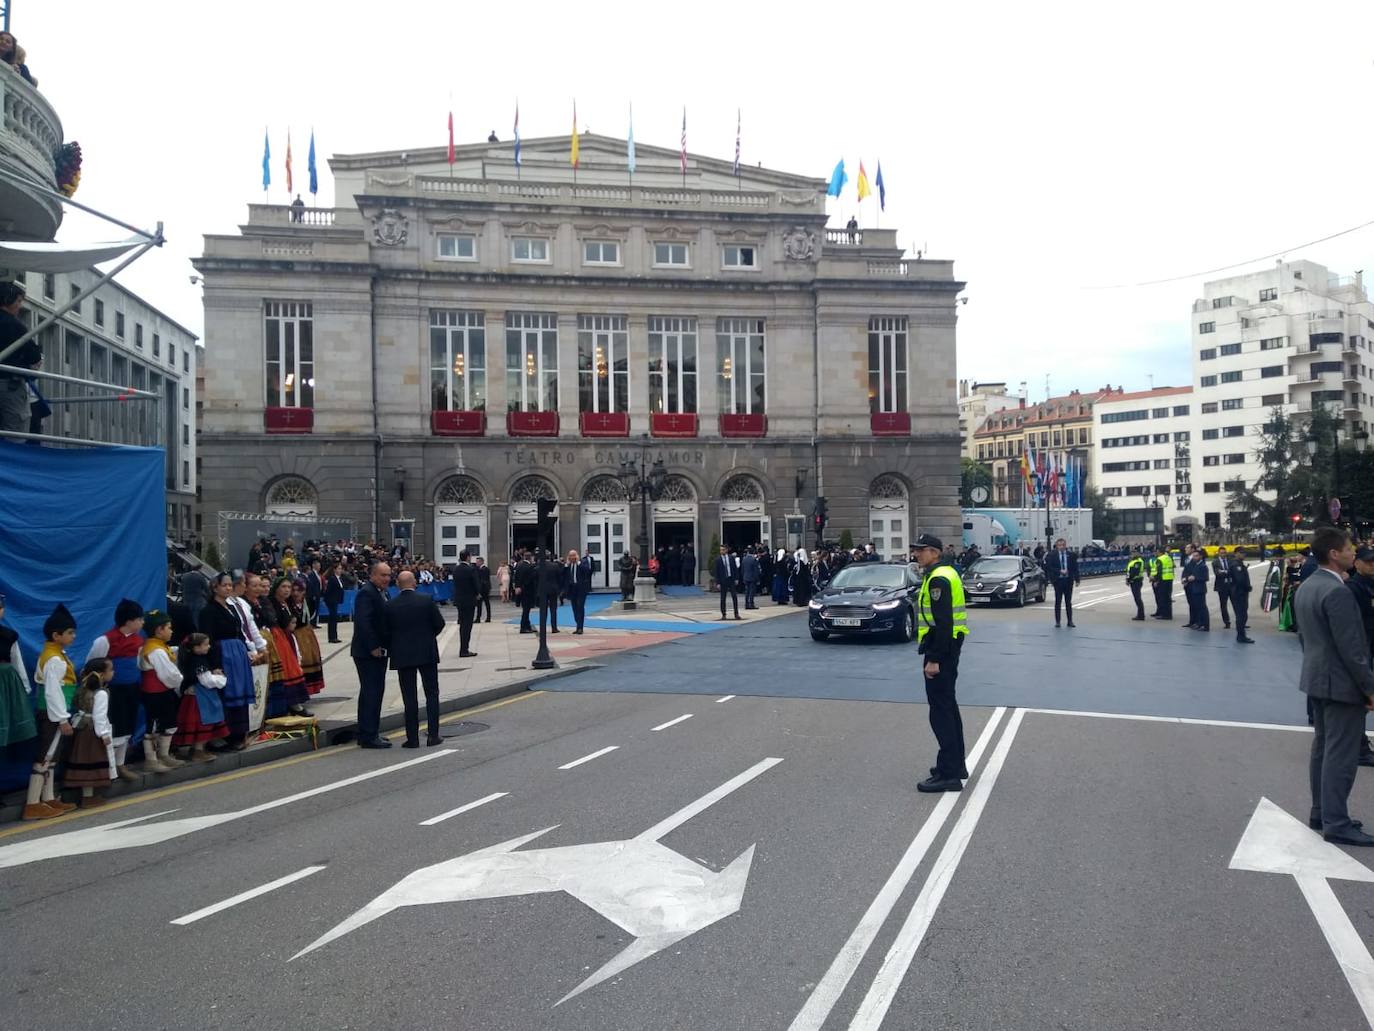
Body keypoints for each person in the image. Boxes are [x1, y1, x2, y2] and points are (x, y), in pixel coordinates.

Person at [1297, 527, 1374, 845]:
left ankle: (1321, 811)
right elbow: (1353, 649)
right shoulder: (1338, 592)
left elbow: (1307, 637)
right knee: (1340, 756)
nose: (1353, 552)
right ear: (1334, 554)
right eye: (1349, 548)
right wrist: (1369, 688)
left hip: (1316, 677)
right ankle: (1337, 822)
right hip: (1341, 684)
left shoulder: (1307, 586)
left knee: (1323, 748)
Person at [912, 534, 969, 793]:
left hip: (941, 649)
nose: (916, 554)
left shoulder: (938, 579)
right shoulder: (947, 572)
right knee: (949, 706)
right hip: (949, 646)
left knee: (941, 712)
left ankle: (948, 774)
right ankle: (955, 764)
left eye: (921, 550)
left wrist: (934, 659)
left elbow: (943, 622)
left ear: (934, 553)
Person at [23, 604, 80, 820]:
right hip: (52, 713)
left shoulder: (55, 654)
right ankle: (32, 803)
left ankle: (47, 798)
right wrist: (62, 719)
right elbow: (52, 692)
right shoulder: (54, 659)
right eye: (70, 633)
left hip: (55, 712)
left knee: (52, 756)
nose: (73, 636)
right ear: (56, 635)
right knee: (45, 756)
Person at [385, 570, 447, 748]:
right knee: (432, 694)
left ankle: (412, 738)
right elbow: (439, 624)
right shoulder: (426, 600)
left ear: (398, 584)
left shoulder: (390, 605)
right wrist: (428, 637)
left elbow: (386, 631)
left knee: (409, 696)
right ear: (414, 583)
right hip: (426, 652)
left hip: (403, 655)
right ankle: (433, 735)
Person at [85, 599, 145, 781]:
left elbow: (139, 664)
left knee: (128, 727)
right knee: (114, 729)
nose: (142, 623)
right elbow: (92, 666)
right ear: (128, 621)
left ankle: (121, 764)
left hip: (132, 690)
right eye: (139, 619)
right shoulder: (104, 641)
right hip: (113, 692)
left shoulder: (139, 640)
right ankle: (109, 766)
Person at [200, 573, 257, 751]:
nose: (228, 588)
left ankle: (241, 733)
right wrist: (214, 664)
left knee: (240, 690)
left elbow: (239, 630)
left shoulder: (231, 608)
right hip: (222, 653)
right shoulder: (208, 610)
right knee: (228, 692)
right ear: (215, 587)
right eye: (224, 585)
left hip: (237, 653)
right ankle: (227, 735)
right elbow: (207, 638)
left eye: (230, 585)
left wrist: (248, 649)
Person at [352, 561, 393, 748]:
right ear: (373, 575)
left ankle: (370, 731)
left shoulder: (382, 593)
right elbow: (363, 623)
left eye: (388, 575)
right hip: (368, 653)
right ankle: (368, 735)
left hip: (380, 652)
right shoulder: (366, 593)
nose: (386, 579)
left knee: (376, 692)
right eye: (383, 575)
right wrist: (373, 646)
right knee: (371, 692)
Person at [64, 659, 115, 808]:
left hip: (82, 729)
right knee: (93, 762)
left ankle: (87, 795)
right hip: (93, 732)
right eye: (110, 670)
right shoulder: (101, 693)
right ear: (101, 674)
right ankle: (89, 797)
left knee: (83, 761)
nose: (113, 672)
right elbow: (99, 715)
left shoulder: (83, 689)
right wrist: (104, 734)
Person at [137, 611, 184, 771]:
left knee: (168, 723)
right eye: (169, 628)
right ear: (159, 630)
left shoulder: (158, 647)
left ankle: (164, 755)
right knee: (154, 725)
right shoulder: (155, 650)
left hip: (162, 692)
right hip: (156, 693)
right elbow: (169, 674)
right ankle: (151, 759)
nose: (172, 631)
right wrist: (178, 682)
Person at [171, 632, 227, 763]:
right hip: (200, 697)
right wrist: (221, 679)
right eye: (205, 645)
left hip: (196, 695)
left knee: (201, 723)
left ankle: (196, 749)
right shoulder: (198, 661)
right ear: (196, 648)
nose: (209, 647)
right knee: (203, 722)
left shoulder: (190, 658)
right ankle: (198, 750)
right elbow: (206, 680)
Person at [0, 281, 40, 435]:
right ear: (7, 300)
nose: (20, 305)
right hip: (10, 385)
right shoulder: (15, 325)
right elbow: (34, 355)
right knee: (15, 433)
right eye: (18, 301)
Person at [0, 593, 35, 751]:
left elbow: (17, 661)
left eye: (0, 608)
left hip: (5, 686)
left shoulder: (8, 636)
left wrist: (25, 688)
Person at [289, 579, 325, 702]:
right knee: (300, 660)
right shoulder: (289, 604)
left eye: (298, 590)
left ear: (304, 591)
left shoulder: (307, 602)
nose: (295, 593)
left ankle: (309, 689)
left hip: (306, 633)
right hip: (296, 634)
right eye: (293, 590)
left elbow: (311, 615)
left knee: (310, 658)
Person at [1043, 538, 1079, 628]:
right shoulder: (1052, 555)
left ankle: (1070, 621)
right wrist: (1059, 571)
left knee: (1068, 602)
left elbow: (1075, 567)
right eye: (1059, 545)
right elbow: (1049, 567)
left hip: (1068, 580)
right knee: (1058, 601)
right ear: (1057, 546)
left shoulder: (1071, 555)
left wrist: (1077, 579)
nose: (1061, 547)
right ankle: (1058, 621)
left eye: (1063, 545)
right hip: (1058, 581)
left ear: (1065, 545)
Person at [451, 551, 479, 658]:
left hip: (459, 600)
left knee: (462, 625)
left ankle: (463, 648)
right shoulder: (470, 569)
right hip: (469, 600)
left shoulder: (456, 569)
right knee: (467, 625)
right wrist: (477, 593)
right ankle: (464, 649)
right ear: (468, 557)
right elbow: (476, 584)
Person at [1182, 545, 1211, 631]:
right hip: (1194, 588)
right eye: (1194, 556)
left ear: (1200, 556)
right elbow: (1189, 574)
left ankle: (1205, 625)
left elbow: (1205, 578)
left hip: (1200, 589)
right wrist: (1187, 579)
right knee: (1197, 607)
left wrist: (1195, 578)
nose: (1194, 557)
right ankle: (1199, 623)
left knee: (1202, 608)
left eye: (1196, 556)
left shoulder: (1203, 566)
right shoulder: (1196, 565)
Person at [566, 549, 593, 634]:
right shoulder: (568, 566)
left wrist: (579, 563)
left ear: (576, 556)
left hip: (581, 589)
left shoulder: (582, 563)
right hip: (572, 589)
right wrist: (566, 565)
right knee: (574, 608)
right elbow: (563, 575)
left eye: (574, 555)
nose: (572, 557)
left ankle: (580, 627)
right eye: (570, 556)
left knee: (580, 607)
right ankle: (578, 625)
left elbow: (587, 571)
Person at [1232, 549, 1255, 645]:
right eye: (1242, 553)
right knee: (1241, 615)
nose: (1244, 555)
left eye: (1244, 553)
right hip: (1239, 593)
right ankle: (1241, 636)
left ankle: (1241, 635)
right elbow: (1240, 580)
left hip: (1241, 592)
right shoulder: (1236, 565)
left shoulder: (1240, 564)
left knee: (1242, 615)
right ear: (1236, 554)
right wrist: (1247, 587)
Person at [1212, 546, 1236, 630]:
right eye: (1221, 553)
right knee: (1223, 605)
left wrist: (1224, 572)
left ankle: (1240, 621)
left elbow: (1233, 572)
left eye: (1224, 553)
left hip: (1231, 585)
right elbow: (1217, 573)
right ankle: (1227, 622)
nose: (1223, 554)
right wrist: (1227, 572)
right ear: (1218, 553)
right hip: (1222, 586)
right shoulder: (1215, 562)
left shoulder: (1230, 561)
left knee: (1235, 604)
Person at [716, 545, 742, 620]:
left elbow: (735, 569)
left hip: (731, 579)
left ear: (726, 550)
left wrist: (736, 578)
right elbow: (717, 572)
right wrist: (718, 583)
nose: (722, 551)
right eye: (721, 550)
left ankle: (736, 613)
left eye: (723, 550)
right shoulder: (718, 559)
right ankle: (723, 614)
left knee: (734, 596)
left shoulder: (731, 558)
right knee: (723, 598)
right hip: (723, 580)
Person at [322, 562, 345, 643]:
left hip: (336, 600)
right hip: (331, 601)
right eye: (338, 568)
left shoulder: (339, 579)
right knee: (332, 618)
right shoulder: (332, 579)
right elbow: (328, 591)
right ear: (334, 570)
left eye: (341, 568)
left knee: (334, 619)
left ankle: (334, 636)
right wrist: (325, 600)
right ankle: (332, 637)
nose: (340, 570)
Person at [1151, 546, 1175, 620]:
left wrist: (1156, 580)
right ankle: (1168, 614)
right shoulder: (1168, 558)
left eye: (1157, 552)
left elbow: (1159, 571)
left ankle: (1164, 615)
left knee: (1163, 598)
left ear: (1159, 552)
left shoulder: (1160, 559)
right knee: (1168, 598)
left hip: (1163, 580)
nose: (1156, 553)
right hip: (1169, 579)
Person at [1125, 549, 1147, 620]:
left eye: (1134, 553)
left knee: (1138, 598)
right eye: (1132, 553)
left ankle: (1141, 615)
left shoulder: (1138, 561)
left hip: (1136, 581)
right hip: (1133, 581)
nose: (1132, 555)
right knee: (1136, 598)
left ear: (1138, 554)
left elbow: (1134, 572)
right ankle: (1140, 614)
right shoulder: (1133, 561)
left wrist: (1129, 580)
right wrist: (1127, 579)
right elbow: (1129, 571)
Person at [306, 559, 323, 627]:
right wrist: (313, 594)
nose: (319, 567)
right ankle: (311, 622)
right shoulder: (311, 574)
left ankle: (314, 623)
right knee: (313, 609)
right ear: (314, 565)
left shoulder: (318, 574)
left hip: (318, 594)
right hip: (314, 595)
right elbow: (311, 585)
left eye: (319, 566)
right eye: (318, 565)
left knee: (317, 608)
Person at [475, 556, 493, 623]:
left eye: (478, 562)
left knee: (485, 603)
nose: (477, 563)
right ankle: (479, 618)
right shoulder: (478, 569)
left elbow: (483, 580)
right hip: (483, 588)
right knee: (480, 604)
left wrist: (479, 590)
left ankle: (487, 617)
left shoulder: (484, 569)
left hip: (484, 589)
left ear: (482, 562)